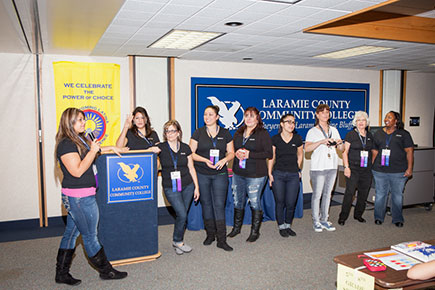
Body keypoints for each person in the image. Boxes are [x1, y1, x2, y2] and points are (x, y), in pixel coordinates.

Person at [55, 108, 128, 286]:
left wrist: (109, 147)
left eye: (83, 119)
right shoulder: (66, 144)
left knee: (71, 234)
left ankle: (61, 273)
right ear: (68, 122)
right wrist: (93, 150)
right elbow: (78, 170)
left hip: (80, 197)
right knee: (90, 236)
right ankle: (106, 271)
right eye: (79, 120)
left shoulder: (78, 139)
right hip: (79, 199)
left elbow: (92, 150)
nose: (84, 123)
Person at [189, 105, 235, 251]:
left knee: (219, 205)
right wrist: (204, 160)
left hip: (220, 174)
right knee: (206, 204)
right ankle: (210, 235)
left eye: (210, 114)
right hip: (202, 173)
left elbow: (231, 152)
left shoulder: (225, 133)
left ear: (217, 117)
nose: (207, 117)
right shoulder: (198, 133)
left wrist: (223, 160)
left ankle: (222, 239)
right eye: (205, 114)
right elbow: (191, 153)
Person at [228, 107, 272, 243]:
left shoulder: (262, 133)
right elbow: (232, 149)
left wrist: (250, 154)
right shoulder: (238, 132)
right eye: (246, 115)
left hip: (256, 175)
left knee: (254, 201)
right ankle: (236, 228)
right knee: (238, 201)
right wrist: (236, 153)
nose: (248, 118)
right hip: (238, 173)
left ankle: (255, 231)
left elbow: (269, 154)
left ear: (257, 118)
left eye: (252, 116)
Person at [157, 120, 200, 255]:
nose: (169, 133)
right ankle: (178, 241)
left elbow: (191, 168)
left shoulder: (186, 148)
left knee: (182, 215)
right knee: (181, 214)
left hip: (188, 185)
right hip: (170, 186)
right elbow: (147, 153)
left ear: (178, 133)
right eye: (167, 131)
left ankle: (177, 242)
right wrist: (150, 150)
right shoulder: (161, 148)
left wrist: (197, 187)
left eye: (172, 130)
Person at [305, 104, 344, 233]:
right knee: (317, 195)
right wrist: (321, 141)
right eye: (322, 112)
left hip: (332, 166)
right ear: (317, 115)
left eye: (327, 112)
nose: (325, 114)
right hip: (318, 168)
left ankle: (324, 219)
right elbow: (307, 148)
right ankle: (316, 221)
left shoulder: (334, 129)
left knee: (328, 194)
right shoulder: (313, 131)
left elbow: (342, 149)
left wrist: (340, 143)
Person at [372, 111, 414, 227]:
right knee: (380, 194)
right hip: (379, 171)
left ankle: (397, 219)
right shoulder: (378, 133)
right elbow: (374, 151)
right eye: (386, 117)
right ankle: (378, 217)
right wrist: (371, 166)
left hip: (398, 171)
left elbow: (409, 151)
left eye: (389, 117)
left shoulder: (404, 134)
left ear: (396, 121)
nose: (386, 119)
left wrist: (410, 168)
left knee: (397, 195)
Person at [268, 113, 303, 237]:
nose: (291, 124)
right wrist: (270, 174)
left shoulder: (297, 138)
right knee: (280, 202)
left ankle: (288, 225)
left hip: (293, 175)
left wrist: (298, 168)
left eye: (293, 122)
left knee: (291, 202)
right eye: (288, 122)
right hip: (278, 174)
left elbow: (300, 154)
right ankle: (281, 226)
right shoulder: (275, 139)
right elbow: (271, 157)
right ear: (282, 124)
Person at [338, 111, 374, 226]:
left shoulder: (370, 135)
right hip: (353, 168)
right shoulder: (351, 135)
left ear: (367, 122)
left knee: (363, 194)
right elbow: (345, 152)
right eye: (358, 120)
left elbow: (373, 151)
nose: (360, 123)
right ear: (355, 122)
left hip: (366, 170)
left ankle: (358, 215)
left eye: (363, 120)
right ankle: (343, 217)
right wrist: (346, 167)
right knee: (350, 193)